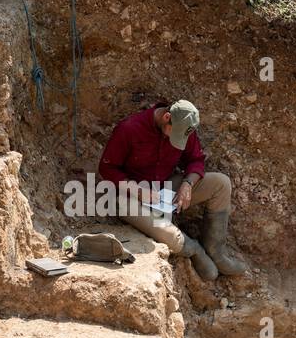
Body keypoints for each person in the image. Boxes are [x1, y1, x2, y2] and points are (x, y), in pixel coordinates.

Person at [98, 99, 246, 280]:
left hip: (165, 189)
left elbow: (195, 160)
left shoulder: (184, 127)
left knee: (221, 183)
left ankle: (216, 251)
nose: (176, 140)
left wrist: (188, 184)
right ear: (166, 117)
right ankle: (194, 250)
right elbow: (107, 168)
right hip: (131, 196)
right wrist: (137, 190)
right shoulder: (129, 129)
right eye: (173, 135)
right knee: (167, 232)